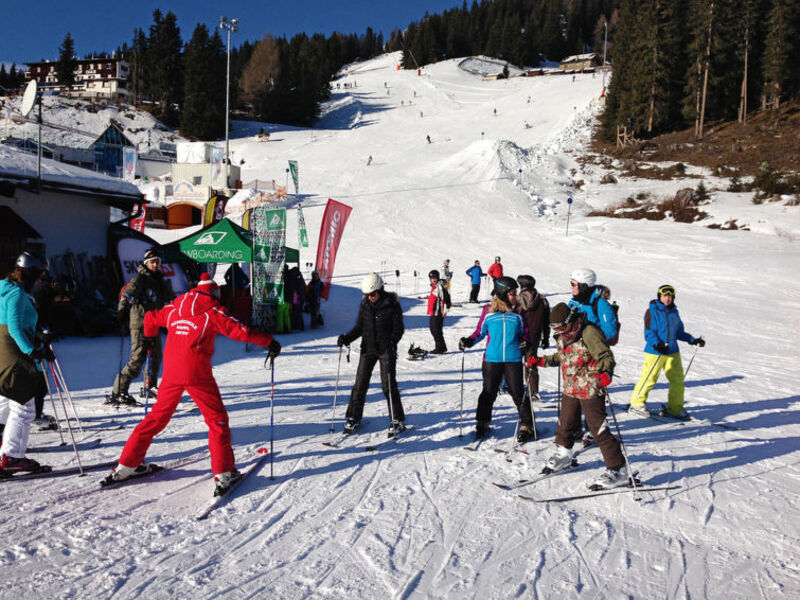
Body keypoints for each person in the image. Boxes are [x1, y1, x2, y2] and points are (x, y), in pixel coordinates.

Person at [106, 273, 281, 494]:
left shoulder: (175, 306)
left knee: (156, 419)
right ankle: (224, 472)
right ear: (213, 292)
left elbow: (150, 317)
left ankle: (127, 464)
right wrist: (269, 342)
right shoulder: (212, 309)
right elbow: (240, 331)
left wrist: (150, 337)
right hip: (197, 374)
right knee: (216, 420)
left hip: (171, 373)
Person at [531, 303, 630, 489]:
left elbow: (606, 356)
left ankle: (618, 469)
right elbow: (562, 357)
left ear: (569, 321)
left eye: (560, 327)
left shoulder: (589, 332)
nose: (558, 331)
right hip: (571, 388)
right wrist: (540, 361)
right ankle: (564, 455)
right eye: (554, 328)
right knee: (565, 423)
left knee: (597, 429)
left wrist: (606, 372)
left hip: (591, 388)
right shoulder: (564, 335)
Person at [459, 277, 534, 442]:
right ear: (502, 294)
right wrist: (469, 341)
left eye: (515, 293)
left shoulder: (519, 313)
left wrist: (525, 342)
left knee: (517, 392)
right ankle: (482, 422)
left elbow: (526, 334)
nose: (516, 297)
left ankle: (528, 425)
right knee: (488, 391)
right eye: (512, 294)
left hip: (513, 358)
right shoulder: (488, 311)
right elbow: (480, 332)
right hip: (492, 359)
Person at [0, 251, 52, 475]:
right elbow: (14, 327)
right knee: (24, 406)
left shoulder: (4, 288)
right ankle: (13, 456)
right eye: (39, 274)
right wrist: (33, 351)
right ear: (29, 272)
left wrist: (36, 333)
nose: (40, 279)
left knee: (4, 400)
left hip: (1, 350)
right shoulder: (17, 295)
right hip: (12, 351)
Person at [337, 273, 406, 437]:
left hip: (385, 350)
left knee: (387, 385)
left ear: (380, 289)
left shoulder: (392, 304)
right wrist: (346, 338)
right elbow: (360, 327)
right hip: (368, 349)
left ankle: (397, 420)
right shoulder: (365, 304)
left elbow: (399, 329)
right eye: (367, 295)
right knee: (359, 384)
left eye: (373, 294)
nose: (370, 297)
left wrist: (392, 341)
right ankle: (354, 417)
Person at [628, 284, 705, 420]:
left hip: (672, 351)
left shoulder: (674, 312)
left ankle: (675, 409)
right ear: (659, 296)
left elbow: (679, 332)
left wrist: (692, 340)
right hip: (655, 352)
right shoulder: (652, 311)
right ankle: (636, 404)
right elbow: (648, 332)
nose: (667, 298)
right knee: (650, 378)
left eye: (670, 296)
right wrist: (657, 344)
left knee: (677, 381)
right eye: (665, 295)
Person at [108, 249, 173, 406]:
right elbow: (127, 296)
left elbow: (169, 298)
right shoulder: (139, 279)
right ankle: (119, 391)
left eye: (157, 261)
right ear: (146, 263)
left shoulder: (159, 280)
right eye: (152, 262)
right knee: (137, 358)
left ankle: (149, 387)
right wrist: (121, 312)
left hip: (154, 322)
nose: (155, 264)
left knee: (155, 357)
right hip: (140, 323)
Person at [515, 275, 550, 402]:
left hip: (518, 335)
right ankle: (533, 391)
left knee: (513, 362)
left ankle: (513, 387)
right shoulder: (542, 300)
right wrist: (545, 338)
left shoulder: (517, 299)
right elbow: (546, 322)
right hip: (534, 337)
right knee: (531, 361)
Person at [567, 268, 618, 344]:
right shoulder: (574, 302)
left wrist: (590, 340)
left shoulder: (600, 304)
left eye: (573, 284)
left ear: (583, 285)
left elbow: (610, 331)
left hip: (593, 349)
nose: (571, 287)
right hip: (573, 347)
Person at [427, 270, 451, 354]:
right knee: (434, 330)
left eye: (434, 278)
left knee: (436, 330)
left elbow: (447, 299)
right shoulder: (435, 287)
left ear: (437, 278)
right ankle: (441, 347)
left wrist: (445, 311)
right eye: (431, 278)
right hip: (433, 312)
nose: (433, 280)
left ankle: (440, 348)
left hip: (438, 313)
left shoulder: (440, 287)